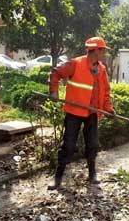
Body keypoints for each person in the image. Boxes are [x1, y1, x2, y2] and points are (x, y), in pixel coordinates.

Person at [48, 37, 114, 190]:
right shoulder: (75, 64)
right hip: (74, 112)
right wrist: (53, 92)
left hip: (92, 113)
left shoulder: (101, 69)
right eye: (102, 50)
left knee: (92, 144)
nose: (104, 53)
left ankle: (92, 174)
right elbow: (56, 74)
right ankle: (57, 178)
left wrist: (109, 108)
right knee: (69, 146)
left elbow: (105, 92)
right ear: (95, 50)